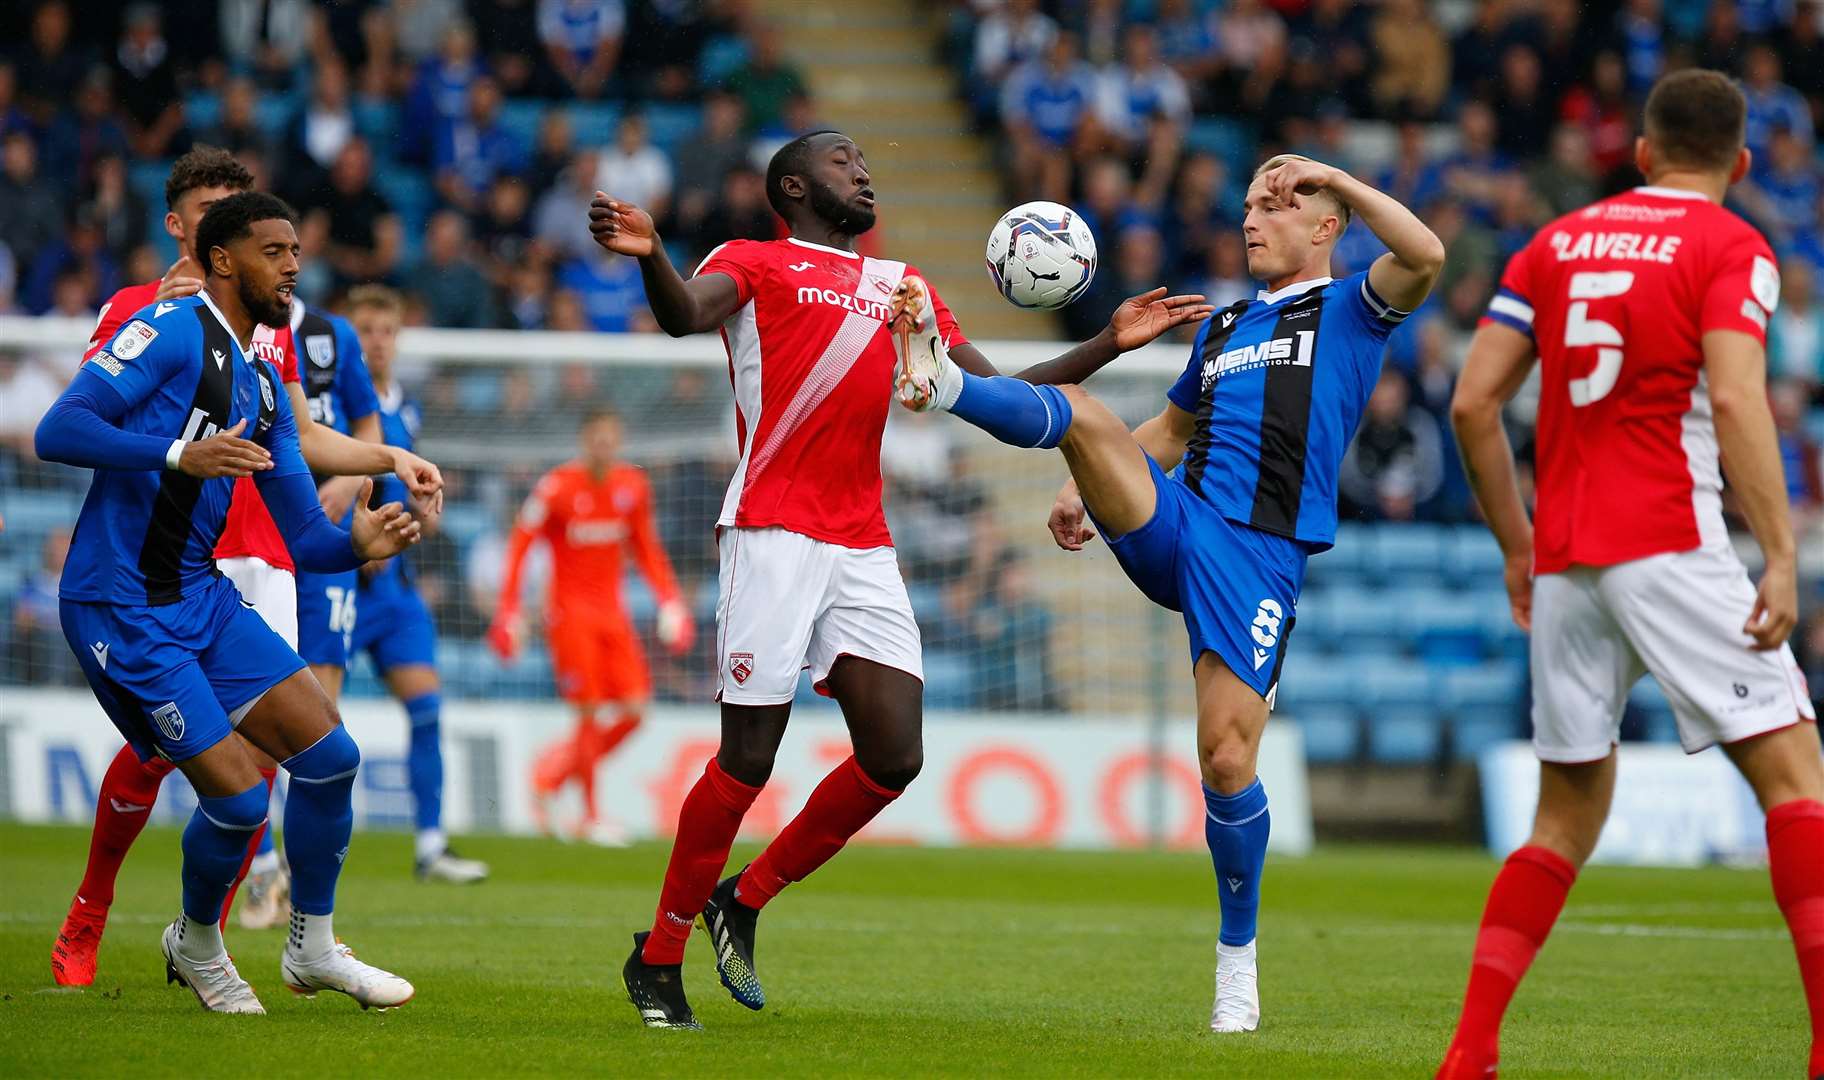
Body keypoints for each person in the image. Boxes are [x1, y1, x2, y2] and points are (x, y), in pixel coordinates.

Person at [589, 128, 1208, 1029]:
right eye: (842, 161)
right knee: (748, 760)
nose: (863, 170)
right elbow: (685, 313)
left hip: (861, 544)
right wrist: (652, 259)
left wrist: (1108, 343)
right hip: (772, 531)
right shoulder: (755, 262)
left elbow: (1004, 398)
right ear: (793, 187)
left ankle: (744, 899)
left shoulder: (901, 289)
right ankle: (660, 955)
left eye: (866, 160)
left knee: (895, 755)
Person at [893, 153, 1442, 1033]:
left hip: (1258, 556)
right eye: (1250, 207)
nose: (1252, 220)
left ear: (1326, 226)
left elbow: (1425, 255)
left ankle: (1237, 966)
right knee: (1081, 410)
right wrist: (1090, 482)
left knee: (1226, 761)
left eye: (1275, 208)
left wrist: (1333, 176)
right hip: (1178, 522)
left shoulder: (1350, 311)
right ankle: (943, 381)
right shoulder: (1222, 326)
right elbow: (1170, 429)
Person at [1437, 69, 1822, 1079]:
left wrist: (1519, 548)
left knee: (1562, 819)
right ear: (1739, 165)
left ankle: (1470, 1053)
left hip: (1566, 559)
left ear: (1642, 154)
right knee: (1796, 780)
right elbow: (1738, 402)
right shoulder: (1733, 244)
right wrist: (1780, 556)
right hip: (1670, 537)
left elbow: (1474, 405)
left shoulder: (1553, 243)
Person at [52, 147, 443, 988]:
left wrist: (363, 544)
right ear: (219, 255)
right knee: (234, 800)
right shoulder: (159, 326)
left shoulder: (266, 384)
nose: (295, 268)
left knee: (333, 757)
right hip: (121, 603)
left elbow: (307, 536)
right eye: (277, 252)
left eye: (298, 252)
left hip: (204, 594)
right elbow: (59, 430)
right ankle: (193, 945)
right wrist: (176, 455)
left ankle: (311, 948)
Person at [487, 408, 691, 845]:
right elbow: (521, 544)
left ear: (618, 441)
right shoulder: (557, 486)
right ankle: (591, 816)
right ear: (584, 440)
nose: (603, 445)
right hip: (569, 616)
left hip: (612, 614)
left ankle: (552, 774)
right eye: (596, 437)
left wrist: (670, 601)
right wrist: (509, 609)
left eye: (610, 438)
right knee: (588, 713)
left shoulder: (631, 487)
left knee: (636, 709)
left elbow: (647, 549)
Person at [346, 285, 488, 883]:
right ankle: (267, 852)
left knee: (428, 710)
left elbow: (410, 496)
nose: (376, 342)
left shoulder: (406, 409)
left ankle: (431, 846)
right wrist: (357, 537)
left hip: (392, 592)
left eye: (385, 330)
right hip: (335, 583)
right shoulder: (326, 406)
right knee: (301, 725)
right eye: (365, 330)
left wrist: (426, 510)